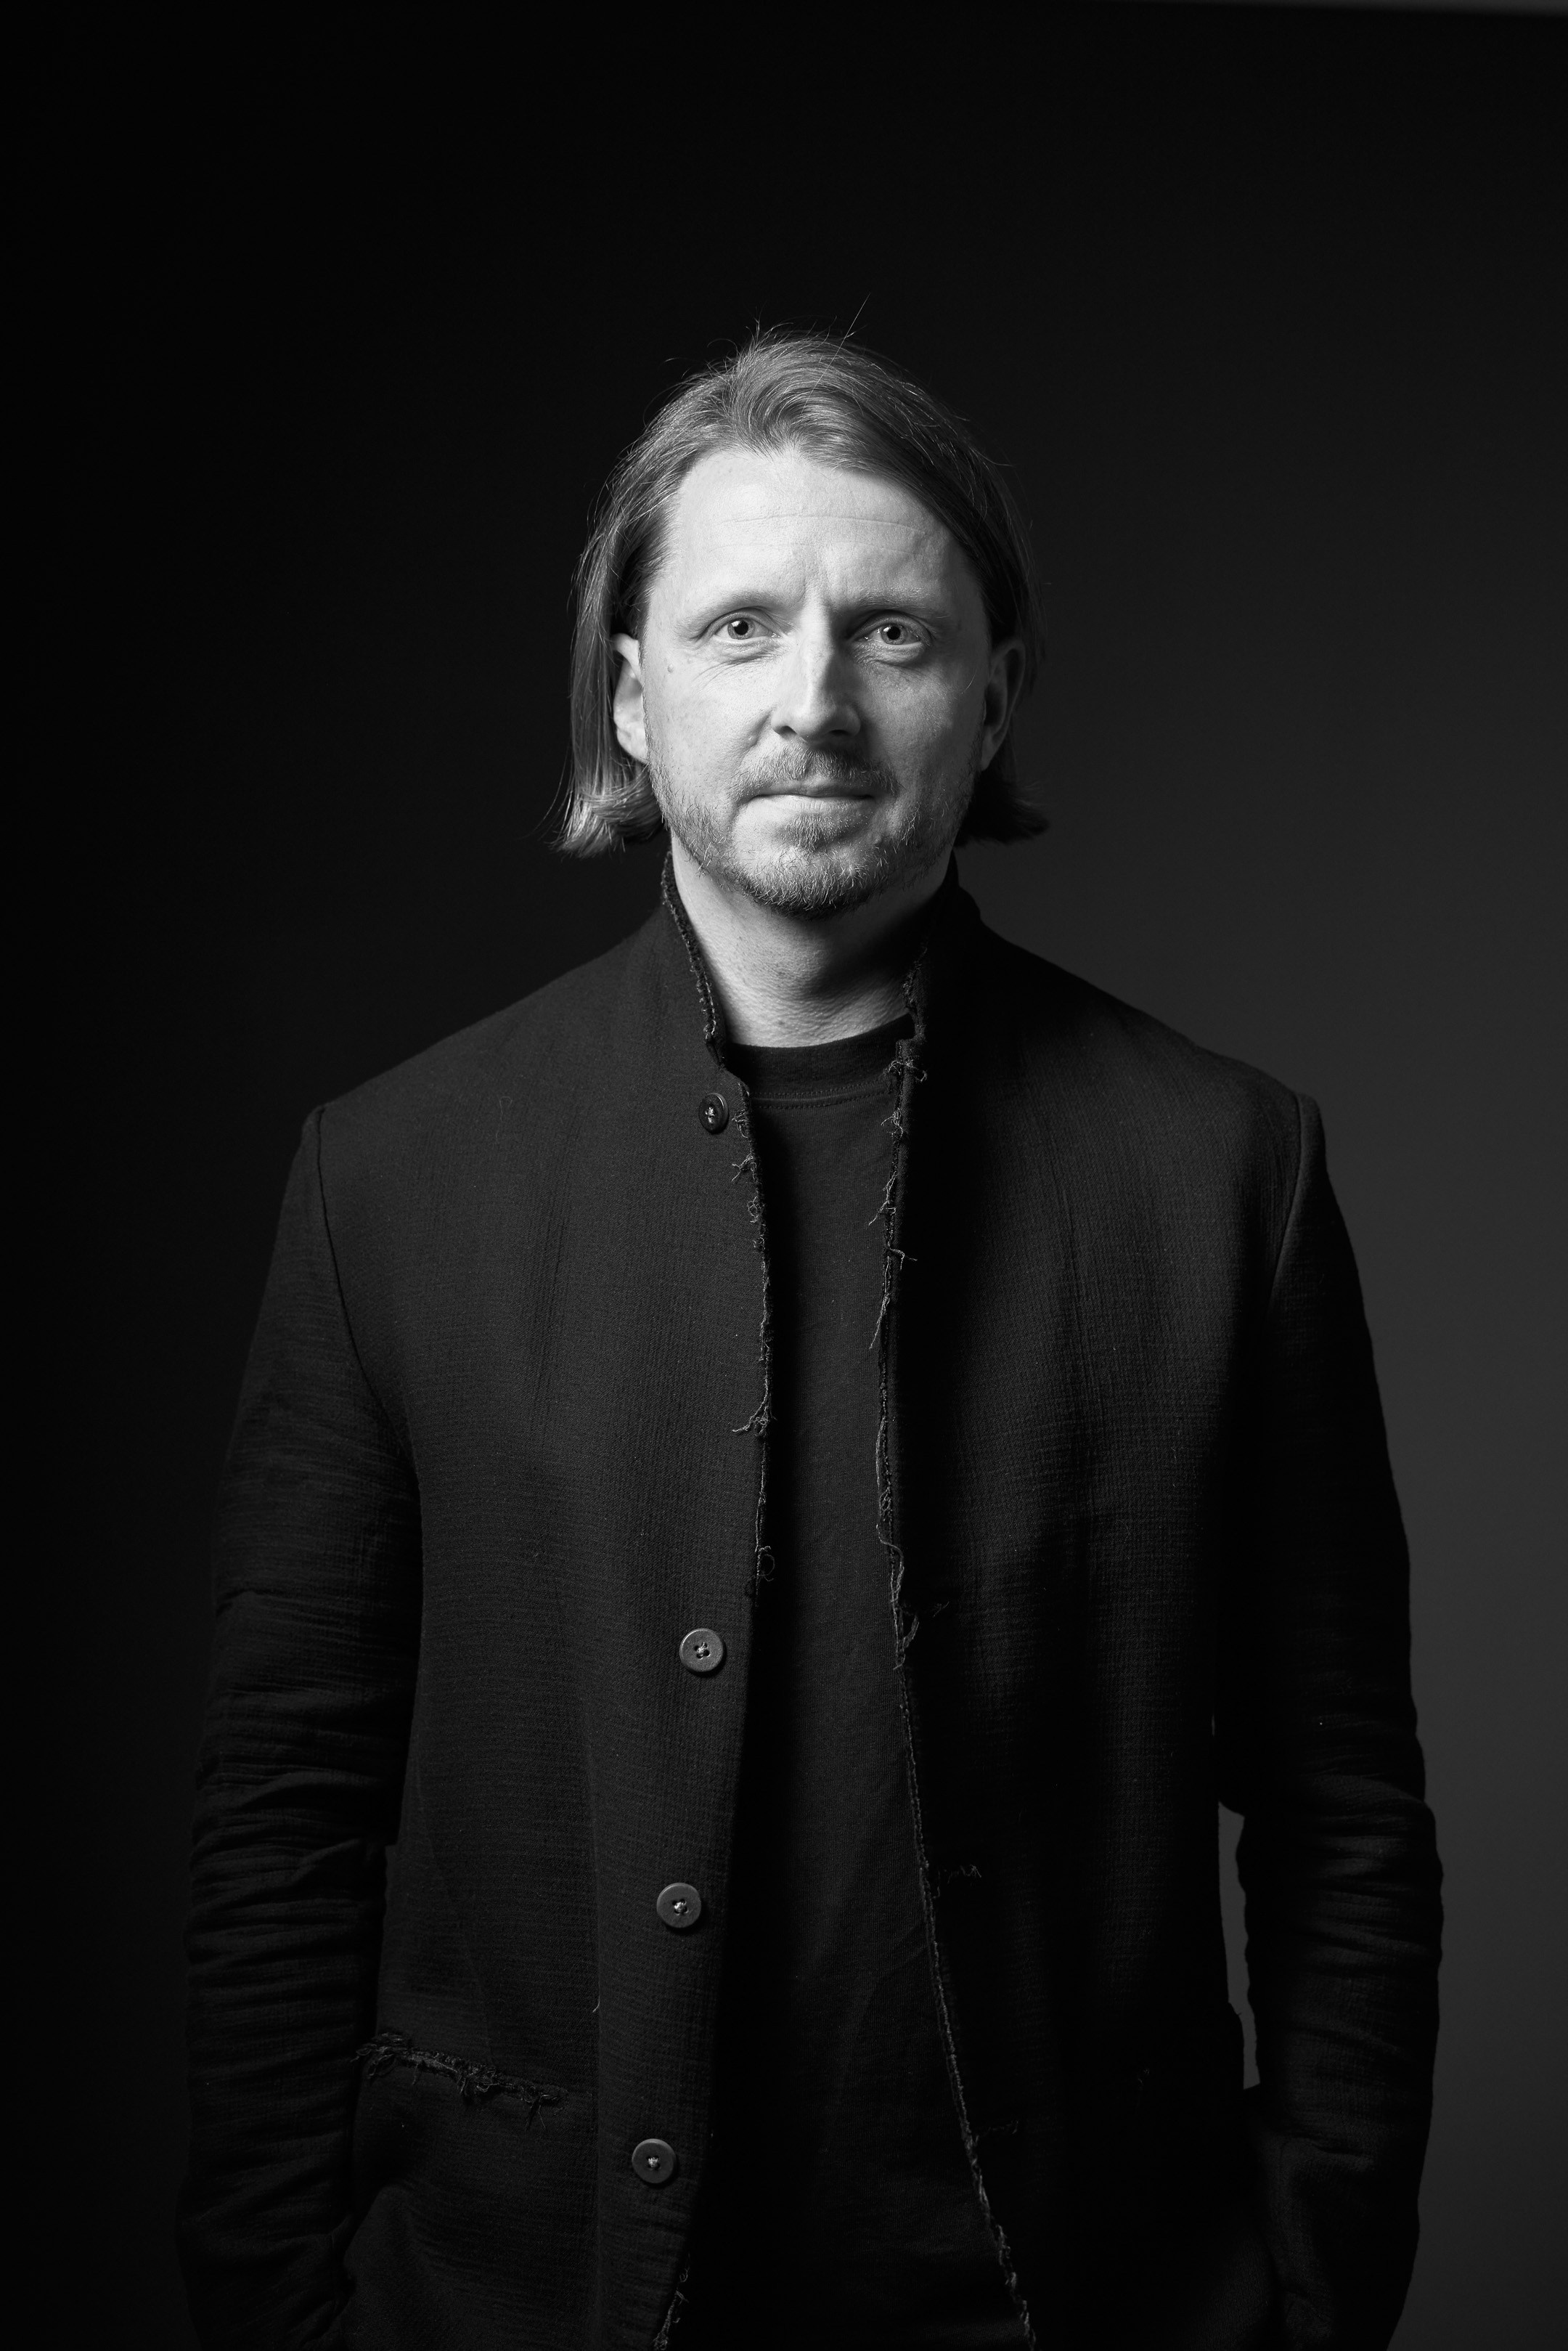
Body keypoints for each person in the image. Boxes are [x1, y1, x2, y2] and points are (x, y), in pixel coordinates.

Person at [181, 330, 1442, 2350]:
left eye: (893, 634)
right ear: (633, 689)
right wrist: (274, 2308)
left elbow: (1341, 1812)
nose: (814, 703)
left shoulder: (1227, 1171)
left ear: (996, 695)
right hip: (510, 2306)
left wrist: (1311, 2300)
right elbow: (285, 1813)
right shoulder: (389, 1180)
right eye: (743, 626)